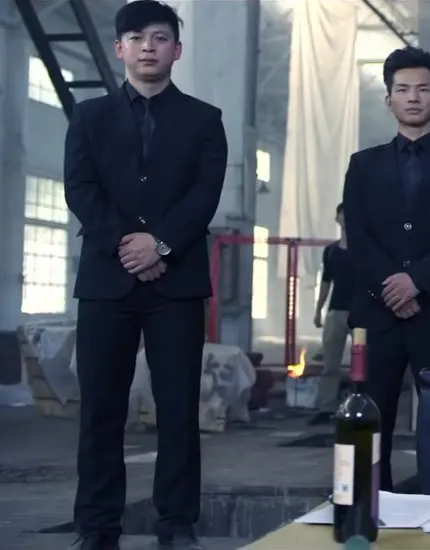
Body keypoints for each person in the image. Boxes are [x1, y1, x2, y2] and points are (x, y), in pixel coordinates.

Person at [63, 2, 226, 549]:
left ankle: (176, 524)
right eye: (137, 38)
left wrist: (159, 243)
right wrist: (125, 243)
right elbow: (80, 189)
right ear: (120, 49)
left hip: (175, 284)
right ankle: (96, 526)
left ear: (177, 49)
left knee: (178, 410)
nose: (148, 47)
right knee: (101, 410)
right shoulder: (89, 117)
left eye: (160, 37)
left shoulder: (204, 120)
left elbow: (204, 195)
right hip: (106, 282)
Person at [341, 47, 430, 491]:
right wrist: (392, 288)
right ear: (389, 100)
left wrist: (417, 283)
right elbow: (357, 236)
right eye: (403, 89)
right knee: (368, 418)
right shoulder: (363, 165)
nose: (413, 97)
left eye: (423, 89)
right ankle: (367, 506)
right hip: (375, 315)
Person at [311, 203, 354, 424]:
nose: (345, 218)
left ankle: (360, 404)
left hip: (361, 313)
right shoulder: (330, 252)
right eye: (342, 214)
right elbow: (326, 282)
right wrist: (318, 310)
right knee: (330, 364)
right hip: (335, 311)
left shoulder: (365, 250)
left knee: (363, 363)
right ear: (337, 218)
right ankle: (327, 407)